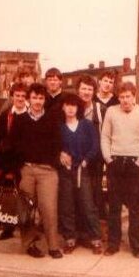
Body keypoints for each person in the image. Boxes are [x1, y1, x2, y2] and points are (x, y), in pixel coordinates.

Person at [100, 81, 139, 258]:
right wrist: (108, 159)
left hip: (134, 163)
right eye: (121, 97)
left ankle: (136, 246)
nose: (124, 100)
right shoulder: (111, 111)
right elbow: (105, 137)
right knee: (114, 207)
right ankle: (113, 244)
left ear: (134, 96)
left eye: (128, 96)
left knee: (134, 208)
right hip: (115, 162)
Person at [10, 83, 63, 259]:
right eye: (34, 98)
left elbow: (58, 145)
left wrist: (53, 163)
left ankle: (53, 246)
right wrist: (19, 169)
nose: (38, 101)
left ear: (44, 99)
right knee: (27, 210)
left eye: (41, 98)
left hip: (47, 171)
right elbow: (14, 146)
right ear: (28, 99)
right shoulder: (20, 120)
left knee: (49, 209)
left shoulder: (52, 120)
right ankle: (29, 244)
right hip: (27, 170)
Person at [58, 93, 103, 255]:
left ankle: (96, 239)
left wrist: (86, 161)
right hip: (65, 172)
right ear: (63, 107)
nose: (70, 108)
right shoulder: (59, 127)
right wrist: (60, 154)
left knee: (88, 204)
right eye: (67, 105)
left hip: (82, 170)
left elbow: (95, 146)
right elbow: (54, 146)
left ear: (78, 108)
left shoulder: (86, 125)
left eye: (73, 105)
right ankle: (70, 238)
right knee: (67, 205)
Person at [0, 82, 28, 241]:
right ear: (12, 97)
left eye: (23, 96)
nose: (20, 98)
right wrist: (3, 147)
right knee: (6, 197)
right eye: (17, 95)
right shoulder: (5, 115)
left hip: (24, 163)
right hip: (7, 163)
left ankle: (26, 229)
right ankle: (8, 228)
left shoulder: (30, 115)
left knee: (24, 197)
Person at [75, 74, 108, 223]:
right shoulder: (71, 108)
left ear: (94, 92)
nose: (86, 92)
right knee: (76, 192)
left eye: (90, 89)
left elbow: (107, 135)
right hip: (76, 158)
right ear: (78, 90)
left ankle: (94, 230)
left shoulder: (101, 109)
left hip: (95, 159)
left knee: (95, 193)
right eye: (83, 89)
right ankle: (79, 229)